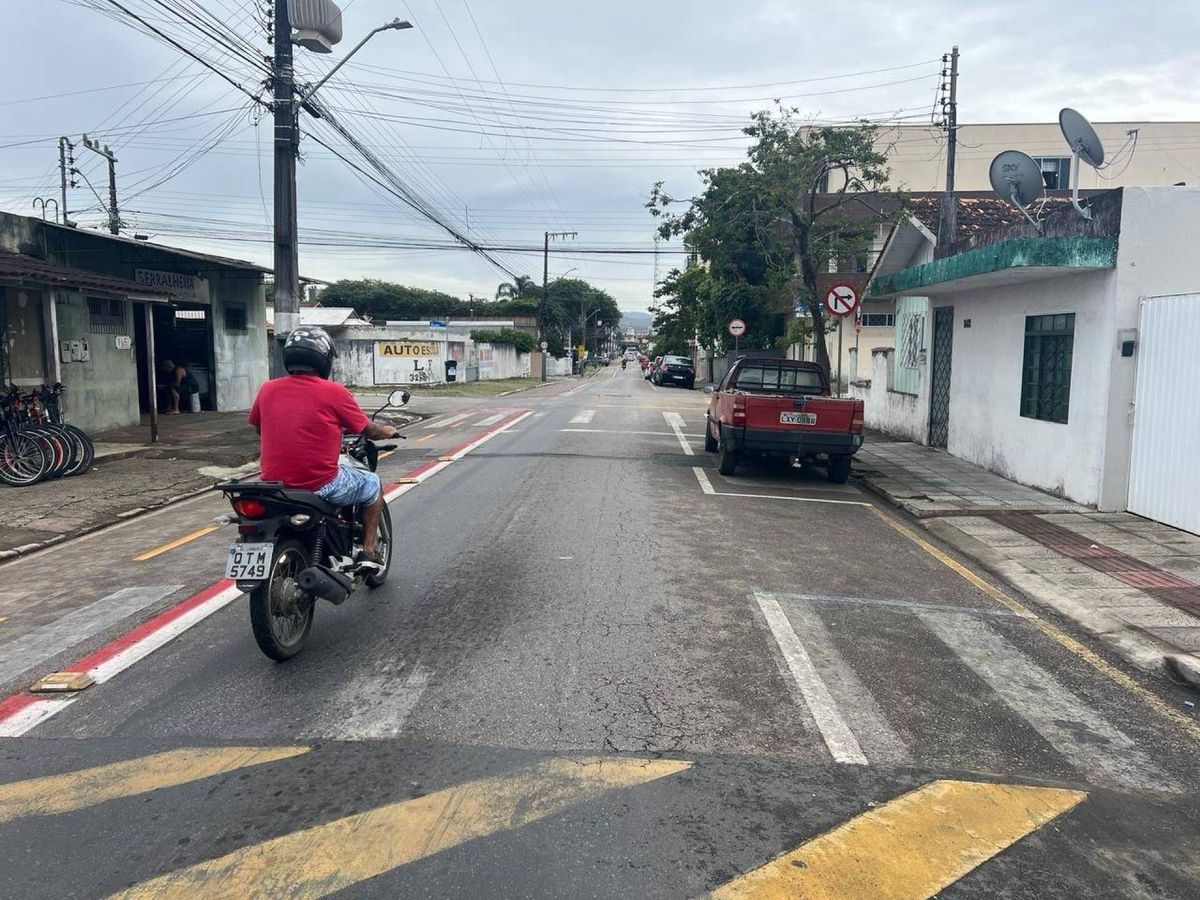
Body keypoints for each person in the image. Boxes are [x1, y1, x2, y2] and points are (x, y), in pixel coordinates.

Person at [247, 327, 398, 573]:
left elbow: (259, 428)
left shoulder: (267, 389)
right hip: (320, 484)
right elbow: (368, 429)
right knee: (371, 483)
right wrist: (387, 431)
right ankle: (369, 551)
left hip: (274, 485)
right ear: (324, 359)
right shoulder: (333, 391)